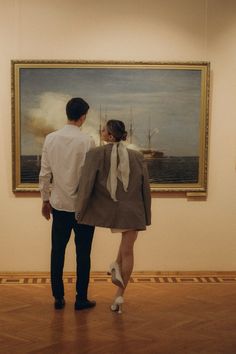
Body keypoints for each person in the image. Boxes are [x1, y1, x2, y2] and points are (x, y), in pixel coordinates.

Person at [75, 119, 151, 314]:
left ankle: (116, 271)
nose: (100, 131)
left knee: (124, 253)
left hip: (110, 211)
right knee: (127, 252)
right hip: (134, 211)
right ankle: (119, 295)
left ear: (109, 135)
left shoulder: (95, 154)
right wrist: (147, 216)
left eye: (103, 129)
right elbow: (145, 189)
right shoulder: (137, 156)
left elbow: (86, 186)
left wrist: (80, 211)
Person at [39, 97, 96, 311]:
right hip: (83, 208)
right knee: (83, 254)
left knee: (57, 252)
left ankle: (58, 297)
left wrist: (45, 200)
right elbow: (91, 177)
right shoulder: (87, 141)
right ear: (82, 117)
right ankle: (81, 298)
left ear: (67, 113)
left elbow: (45, 174)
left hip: (59, 206)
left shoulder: (50, 139)